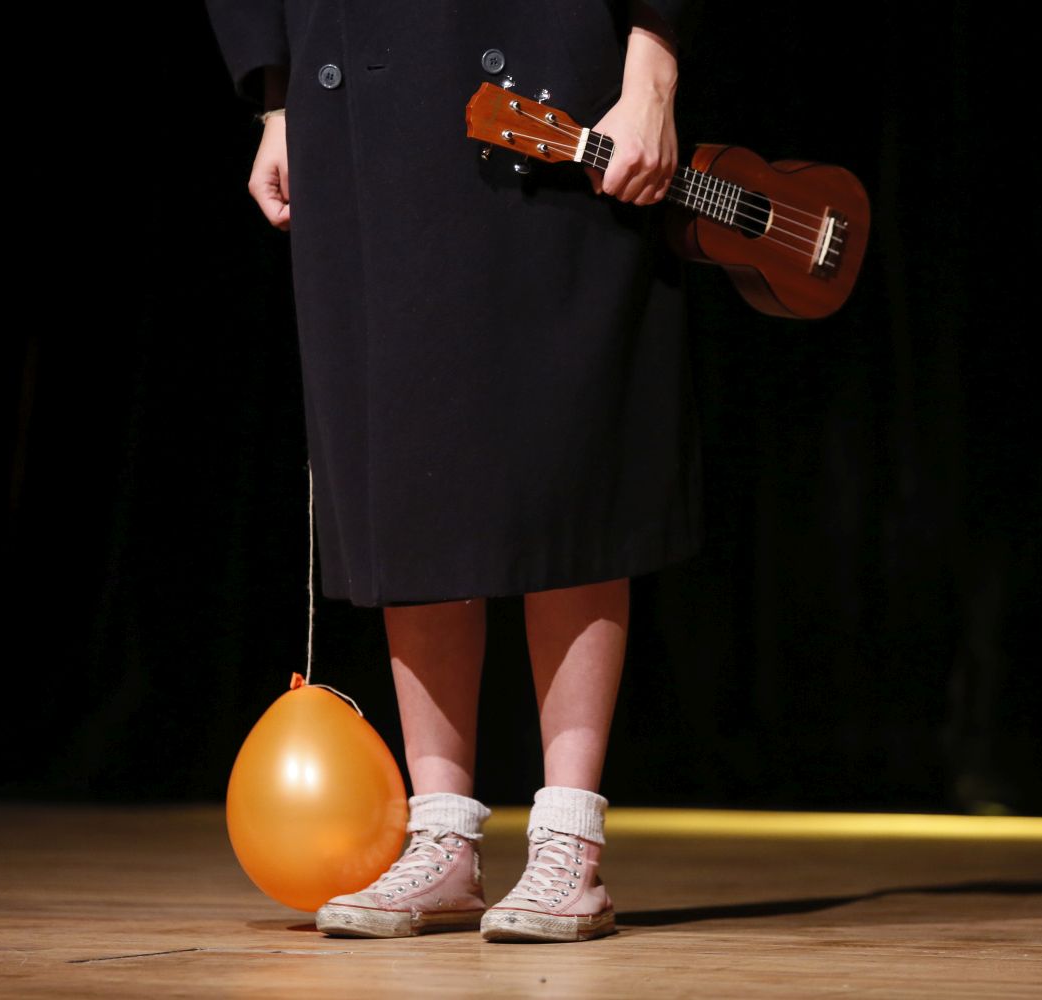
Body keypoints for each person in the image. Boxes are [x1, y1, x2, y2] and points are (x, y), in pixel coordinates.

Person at [205, 0, 699, 942]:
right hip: (356, 84)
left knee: (565, 451)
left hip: (547, 71)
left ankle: (569, 839)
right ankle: (443, 836)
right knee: (409, 457)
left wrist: (653, 65)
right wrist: (277, 99)